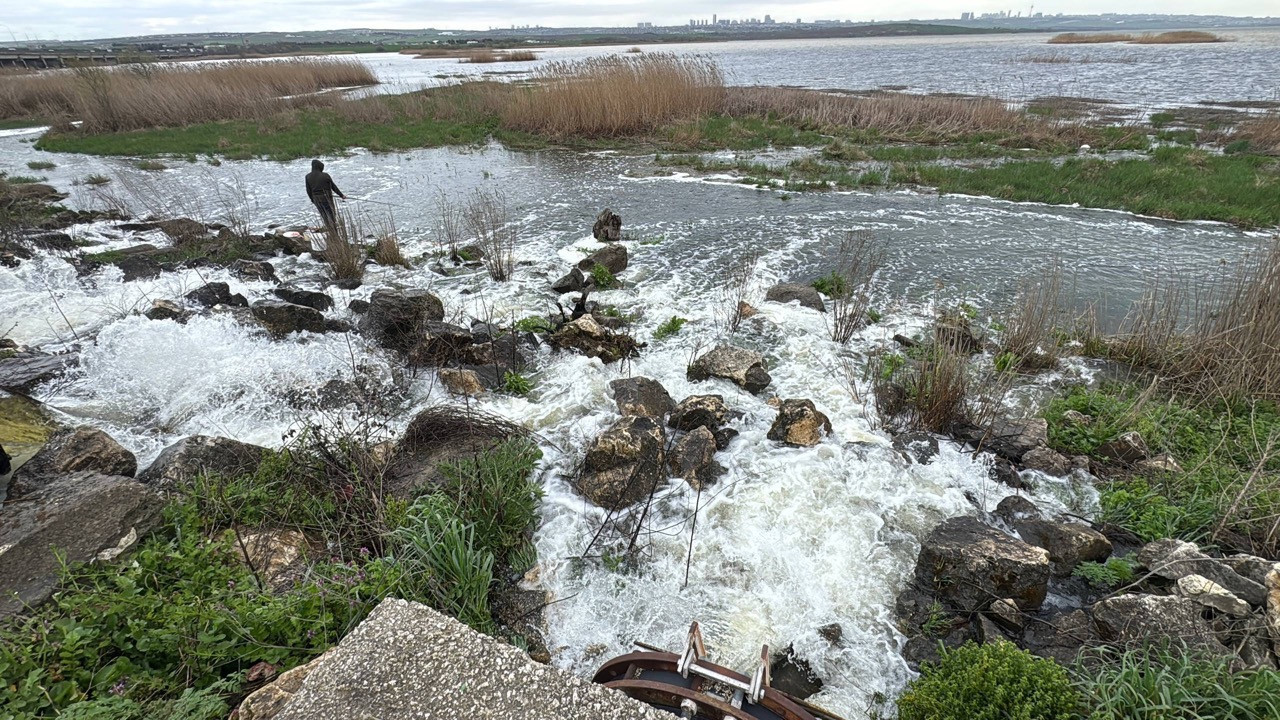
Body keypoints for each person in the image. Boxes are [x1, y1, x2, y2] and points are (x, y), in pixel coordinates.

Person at [305, 159, 346, 228]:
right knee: (332, 216)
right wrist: (341, 195)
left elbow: (308, 191)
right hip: (327, 198)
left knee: (324, 217)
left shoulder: (308, 177)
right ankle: (335, 232)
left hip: (316, 199)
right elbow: (333, 186)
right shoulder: (325, 175)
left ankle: (330, 231)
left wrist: (312, 200)